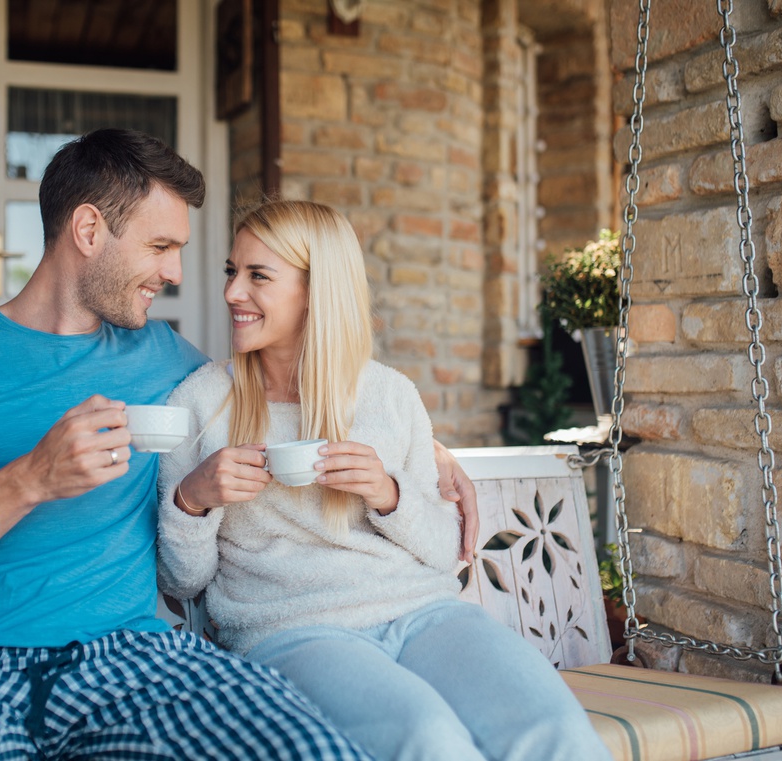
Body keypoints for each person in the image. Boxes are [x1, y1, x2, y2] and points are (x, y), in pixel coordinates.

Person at [0, 130, 377, 760]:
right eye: (160, 246)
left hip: (133, 663)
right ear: (88, 229)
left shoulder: (173, 364)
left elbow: (289, 396)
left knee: (305, 749)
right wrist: (30, 480)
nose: (175, 273)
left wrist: (427, 455)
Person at [157, 200, 612, 761]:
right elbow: (181, 582)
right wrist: (193, 500)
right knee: (427, 741)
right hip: (296, 631)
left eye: (257, 276)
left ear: (316, 290)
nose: (231, 292)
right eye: (232, 271)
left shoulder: (389, 395)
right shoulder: (202, 402)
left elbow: (447, 549)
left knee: (552, 726)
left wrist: (389, 494)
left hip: (426, 615)